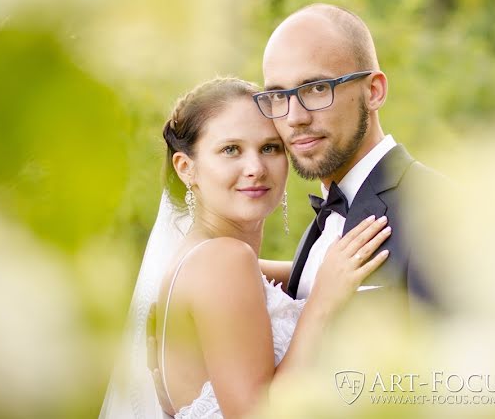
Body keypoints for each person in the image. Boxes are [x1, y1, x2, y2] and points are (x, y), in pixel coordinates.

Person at [100, 77, 390, 419]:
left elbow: (301, 274)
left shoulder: (199, 259)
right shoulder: (224, 261)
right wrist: (323, 303)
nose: (255, 168)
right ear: (186, 168)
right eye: (231, 150)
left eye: (270, 148)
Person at [258, 4, 439, 304]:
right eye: (278, 95)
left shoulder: (433, 215)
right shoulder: (319, 230)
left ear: (374, 92)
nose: (294, 118)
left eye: (316, 88)